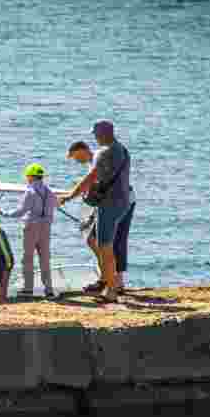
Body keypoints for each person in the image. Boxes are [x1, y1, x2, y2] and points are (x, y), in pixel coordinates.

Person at [59, 120, 131, 302]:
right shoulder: (122, 150)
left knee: (105, 246)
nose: (95, 138)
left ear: (102, 134)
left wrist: (70, 195)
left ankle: (112, 290)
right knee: (94, 240)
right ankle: (106, 281)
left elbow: (91, 178)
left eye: (96, 134)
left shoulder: (104, 152)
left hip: (110, 204)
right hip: (121, 201)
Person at [0, 163, 58, 298]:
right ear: (41, 177)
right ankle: (49, 289)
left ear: (30, 177)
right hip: (46, 227)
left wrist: (4, 213)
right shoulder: (50, 192)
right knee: (45, 258)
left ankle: (28, 289)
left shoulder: (30, 191)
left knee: (27, 259)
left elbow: (20, 211)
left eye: (27, 176)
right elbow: (53, 208)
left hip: (31, 227)